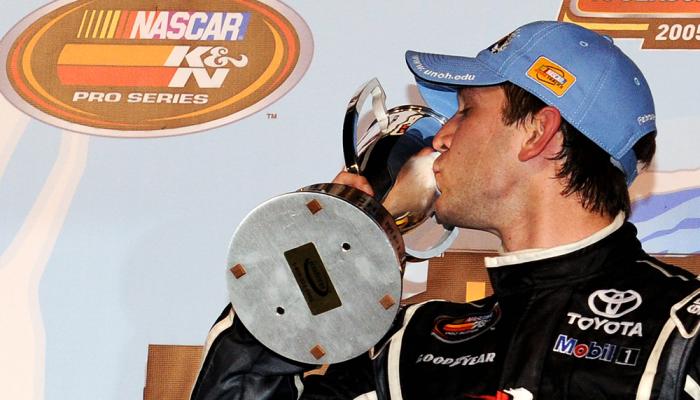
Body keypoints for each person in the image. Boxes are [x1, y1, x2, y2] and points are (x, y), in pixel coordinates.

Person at [190, 21, 700, 399]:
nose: (441, 137)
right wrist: (330, 252)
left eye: (465, 111)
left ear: (537, 131)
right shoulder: (409, 347)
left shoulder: (684, 328)